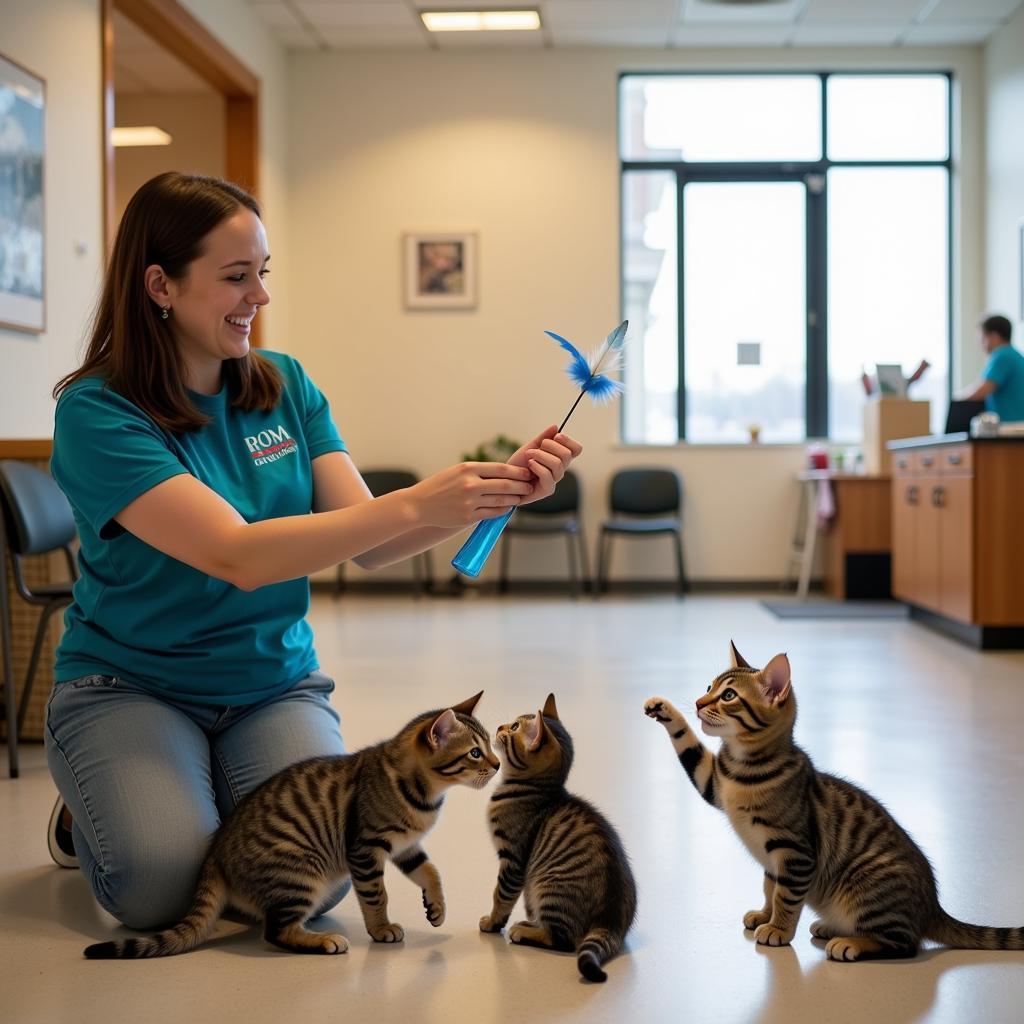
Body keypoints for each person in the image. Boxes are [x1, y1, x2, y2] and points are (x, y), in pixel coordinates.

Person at [44, 171, 582, 930]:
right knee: (160, 892)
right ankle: (86, 814)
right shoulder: (99, 412)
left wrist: (492, 495)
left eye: (262, 273)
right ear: (160, 285)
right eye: (236, 277)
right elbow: (236, 554)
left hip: (270, 685)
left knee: (317, 877)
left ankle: (198, 798)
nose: (259, 297)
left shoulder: (283, 386)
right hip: (131, 683)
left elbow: (370, 541)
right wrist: (420, 499)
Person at [956, 314, 1024, 422]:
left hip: (1010, 427)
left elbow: (980, 391)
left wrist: (957, 399)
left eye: (982, 338)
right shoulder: (1014, 355)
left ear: (994, 336)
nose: (980, 344)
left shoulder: (1002, 356)